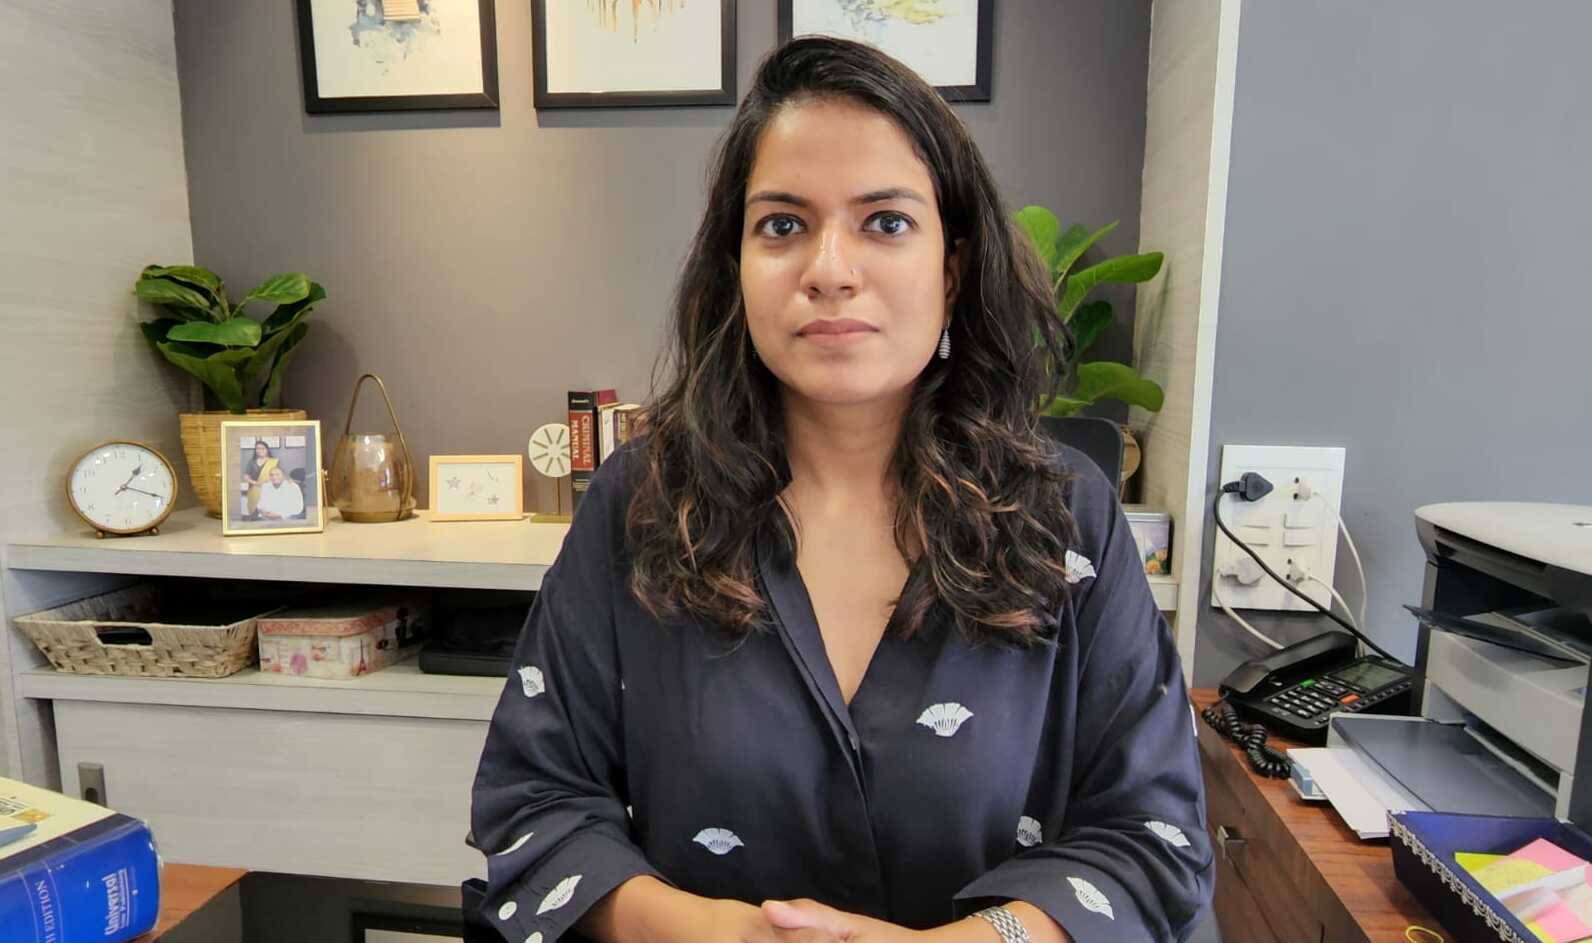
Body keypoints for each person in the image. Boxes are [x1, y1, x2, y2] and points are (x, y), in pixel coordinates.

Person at [472, 36, 1213, 943]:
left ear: (952, 267)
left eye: (886, 222)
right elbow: (535, 806)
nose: (828, 268)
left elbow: (1153, 837)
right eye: (783, 225)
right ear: (735, 265)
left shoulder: (1067, 515)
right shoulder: (641, 503)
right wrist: (728, 937)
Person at [242, 440, 279, 518]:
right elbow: (246, 477)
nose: (260, 450)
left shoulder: (274, 461)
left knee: (268, 513)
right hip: (254, 490)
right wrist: (255, 483)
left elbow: (279, 475)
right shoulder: (252, 462)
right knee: (254, 514)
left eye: (262, 448)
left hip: (269, 490)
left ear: (267, 449)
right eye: (257, 449)